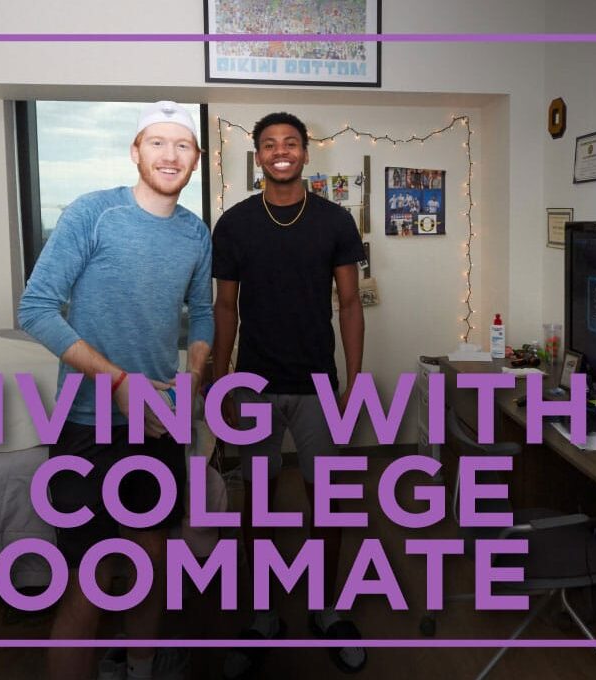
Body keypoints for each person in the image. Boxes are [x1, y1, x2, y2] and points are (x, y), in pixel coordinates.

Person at [17, 101, 213, 680]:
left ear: (196, 159)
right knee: (92, 575)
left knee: (151, 553)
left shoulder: (195, 232)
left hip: (157, 425)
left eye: (183, 145)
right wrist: (120, 382)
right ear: (136, 151)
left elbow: (201, 314)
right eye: (157, 143)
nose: (170, 155)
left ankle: (140, 665)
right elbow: (35, 309)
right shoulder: (93, 214)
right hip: (86, 423)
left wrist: (192, 377)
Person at [211, 112, 366, 677]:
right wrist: (222, 379)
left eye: (291, 143)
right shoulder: (233, 225)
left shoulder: (334, 221)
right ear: (258, 157)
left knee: (328, 505)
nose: (281, 151)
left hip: (318, 385)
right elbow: (224, 308)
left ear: (306, 153)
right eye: (270, 145)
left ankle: (327, 608)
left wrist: (353, 379)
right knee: (257, 507)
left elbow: (349, 304)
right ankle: (262, 613)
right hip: (252, 385)